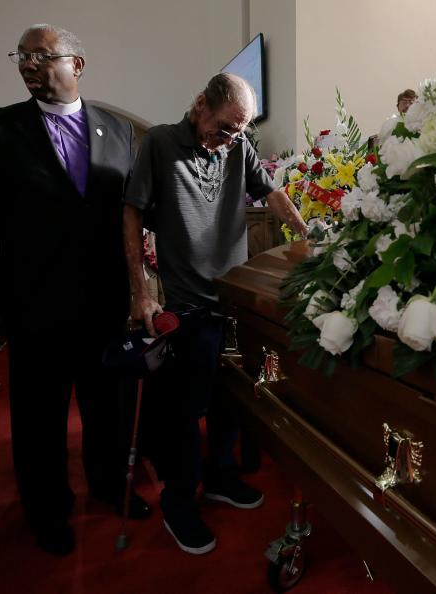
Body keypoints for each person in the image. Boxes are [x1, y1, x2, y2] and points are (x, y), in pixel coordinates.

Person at [0, 24, 151, 555]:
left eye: (42, 55)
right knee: (40, 417)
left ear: (77, 65)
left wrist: (146, 286)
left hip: (105, 300)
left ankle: (112, 485)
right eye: (21, 56)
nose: (28, 63)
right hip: (36, 300)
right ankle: (47, 510)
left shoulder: (117, 129)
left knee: (107, 406)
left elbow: (130, 214)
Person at [123, 72, 305, 554]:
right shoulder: (160, 143)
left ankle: (222, 477)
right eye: (224, 128)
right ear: (202, 104)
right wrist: (140, 292)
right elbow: (132, 212)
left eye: (239, 132)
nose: (229, 140)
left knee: (232, 400)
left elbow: (271, 193)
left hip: (235, 298)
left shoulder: (237, 147)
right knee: (187, 411)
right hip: (187, 303)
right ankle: (180, 502)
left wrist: (306, 234)